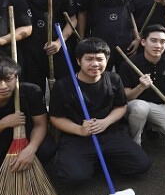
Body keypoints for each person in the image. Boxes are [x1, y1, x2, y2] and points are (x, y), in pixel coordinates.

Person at [49, 37, 150, 185]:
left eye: (99, 59)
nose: (95, 64)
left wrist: (106, 122)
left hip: (110, 132)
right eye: (89, 59)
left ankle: (102, 158)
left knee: (141, 165)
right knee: (73, 177)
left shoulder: (113, 79)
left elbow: (121, 106)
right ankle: (89, 161)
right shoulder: (63, 85)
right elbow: (56, 118)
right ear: (78, 61)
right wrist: (79, 130)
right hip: (78, 137)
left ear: (107, 61)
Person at [10, 0, 76, 96]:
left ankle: (59, 117)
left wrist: (59, 42)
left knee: (63, 91)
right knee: (33, 91)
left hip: (58, 50)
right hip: (29, 52)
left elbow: (73, 20)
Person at [119, 24, 165, 145]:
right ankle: (135, 142)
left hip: (159, 106)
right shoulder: (129, 64)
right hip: (134, 105)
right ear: (143, 42)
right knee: (141, 108)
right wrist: (141, 87)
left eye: (163, 42)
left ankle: (149, 124)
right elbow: (126, 96)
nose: (158, 46)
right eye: (153, 41)